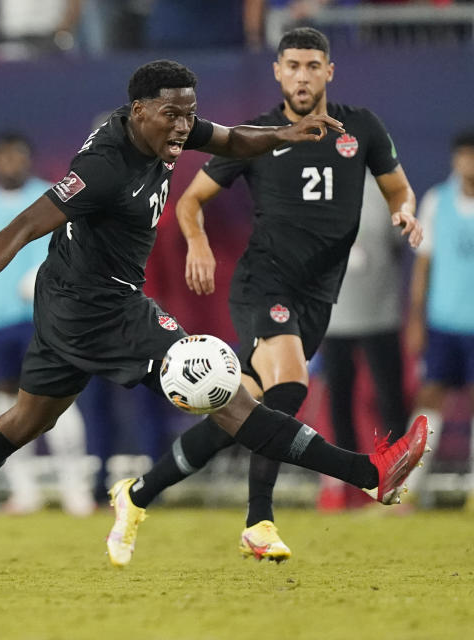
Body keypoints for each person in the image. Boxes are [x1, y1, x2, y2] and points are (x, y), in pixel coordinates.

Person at [0, 58, 429, 575]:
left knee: (27, 420)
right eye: (173, 115)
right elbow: (25, 224)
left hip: (75, 297)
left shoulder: (167, 125)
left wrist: (281, 136)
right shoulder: (103, 168)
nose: (185, 126)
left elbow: (232, 138)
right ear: (138, 110)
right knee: (230, 395)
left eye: (190, 113)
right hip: (99, 309)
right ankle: (368, 474)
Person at [114, 28, 422, 564]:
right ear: (277, 73)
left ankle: (137, 494)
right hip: (265, 283)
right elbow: (191, 203)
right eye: (292, 66)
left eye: (312, 65)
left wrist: (404, 210)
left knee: (243, 413)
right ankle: (265, 517)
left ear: (329, 72)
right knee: (290, 386)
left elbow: (396, 185)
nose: (302, 75)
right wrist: (199, 244)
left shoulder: (364, 128)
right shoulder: (256, 134)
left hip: (319, 295)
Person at [0, 131, 94, 516]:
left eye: (17, 156)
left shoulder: (53, 195)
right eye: (3, 156)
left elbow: (77, 253)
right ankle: (25, 491)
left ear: (29, 159)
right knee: (6, 402)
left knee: (58, 397)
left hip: (46, 315)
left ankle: (75, 492)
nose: (10, 163)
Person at [318, 173, 409, 511]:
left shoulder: (390, 190)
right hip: (335, 316)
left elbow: (398, 245)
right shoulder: (320, 186)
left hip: (380, 313)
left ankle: (396, 483)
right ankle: (347, 486)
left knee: (390, 399)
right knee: (339, 402)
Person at [404, 129, 474, 507]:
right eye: (464, 156)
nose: (469, 163)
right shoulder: (436, 201)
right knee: (429, 397)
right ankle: (408, 489)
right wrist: (417, 318)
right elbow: (423, 266)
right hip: (443, 322)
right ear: (455, 160)